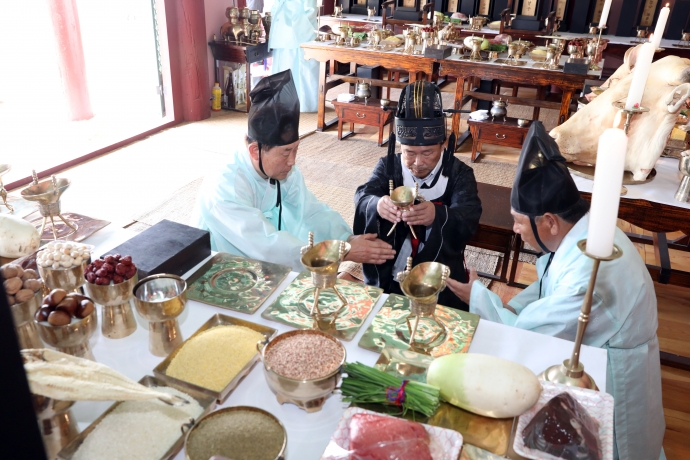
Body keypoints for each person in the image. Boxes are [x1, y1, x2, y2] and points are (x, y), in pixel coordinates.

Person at [446, 121, 665, 460]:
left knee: (611, 445)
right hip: (596, 345)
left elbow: (529, 334)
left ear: (549, 221)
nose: (515, 229)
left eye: (519, 221)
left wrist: (476, 295)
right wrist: (509, 304)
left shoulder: (589, 270)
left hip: (610, 369)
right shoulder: (583, 232)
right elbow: (549, 284)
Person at [194, 70, 396, 271]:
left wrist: (346, 239)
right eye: (285, 152)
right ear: (255, 151)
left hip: (259, 259)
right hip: (220, 267)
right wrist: (335, 252)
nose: (292, 161)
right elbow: (265, 245)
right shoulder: (226, 187)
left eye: (296, 149)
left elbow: (309, 211)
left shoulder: (283, 170)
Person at [353, 81, 482, 310]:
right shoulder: (389, 166)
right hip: (392, 267)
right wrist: (378, 204)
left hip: (437, 270)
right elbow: (364, 195)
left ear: (443, 144)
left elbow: (469, 215)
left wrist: (437, 215)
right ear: (399, 146)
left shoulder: (459, 173)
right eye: (409, 153)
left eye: (428, 153)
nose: (418, 162)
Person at [268, 0, 319, 112]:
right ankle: (283, 102)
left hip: (299, 29)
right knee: (283, 66)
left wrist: (297, 25)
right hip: (282, 29)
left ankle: (305, 104)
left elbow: (311, 9)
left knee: (302, 67)